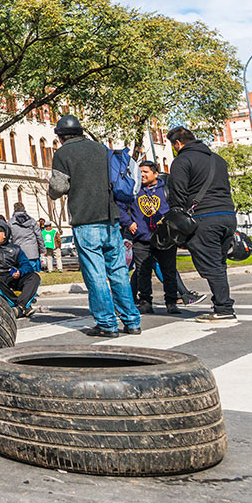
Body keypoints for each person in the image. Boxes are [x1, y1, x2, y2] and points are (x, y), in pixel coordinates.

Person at [49, 115, 140, 337]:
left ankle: (107, 325)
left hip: (85, 220)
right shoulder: (101, 149)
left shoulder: (63, 153)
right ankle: (132, 321)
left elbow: (59, 187)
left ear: (60, 137)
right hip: (111, 219)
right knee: (118, 271)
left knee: (95, 274)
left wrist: (51, 188)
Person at [166, 126, 238, 322]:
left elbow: (178, 196)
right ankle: (221, 304)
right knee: (219, 263)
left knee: (211, 265)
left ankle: (224, 309)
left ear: (178, 143)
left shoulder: (182, 161)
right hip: (228, 216)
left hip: (205, 218)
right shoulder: (218, 159)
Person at [118, 160, 180, 315]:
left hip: (165, 239)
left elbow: (177, 209)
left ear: (155, 174)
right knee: (142, 272)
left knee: (169, 271)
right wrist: (129, 223)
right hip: (141, 239)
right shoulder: (133, 190)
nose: (142, 175)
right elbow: (120, 208)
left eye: (145, 171)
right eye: (140, 172)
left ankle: (171, 302)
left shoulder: (166, 189)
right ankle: (145, 302)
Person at [0, 222, 40, 318]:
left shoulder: (15, 249)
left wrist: (20, 272)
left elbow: (27, 266)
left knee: (34, 277)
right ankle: (21, 306)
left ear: (4, 234)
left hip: (12, 277)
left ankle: (21, 306)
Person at [9, 203, 45, 272]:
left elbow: (9, 239)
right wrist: (43, 250)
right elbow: (39, 236)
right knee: (32, 275)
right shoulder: (32, 221)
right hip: (32, 252)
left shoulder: (11, 222)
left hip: (18, 252)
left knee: (21, 274)